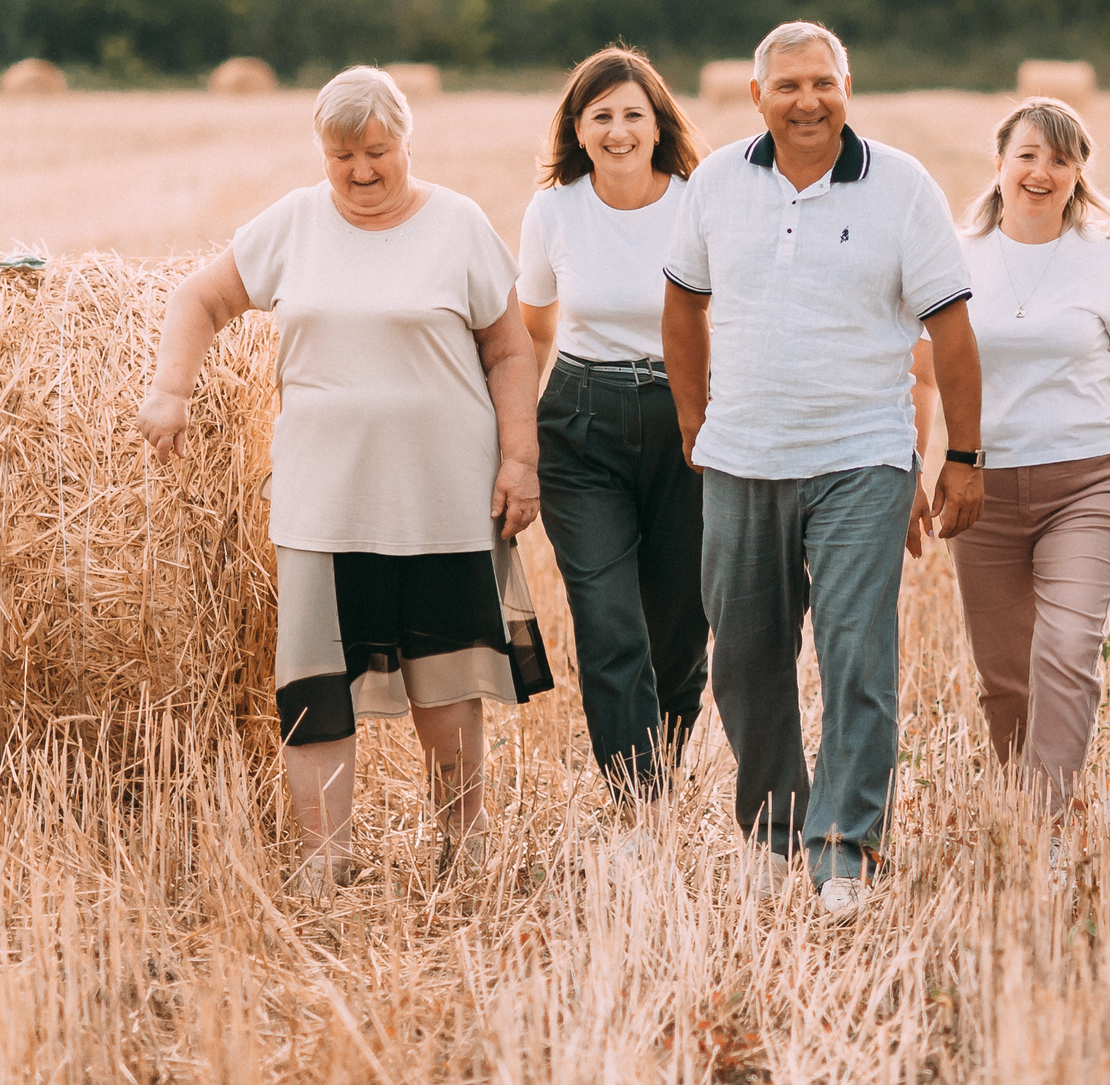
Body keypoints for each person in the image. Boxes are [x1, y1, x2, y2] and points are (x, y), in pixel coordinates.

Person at [137, 66, 546, 896]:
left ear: (406, 144)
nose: (361, 170)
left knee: (447, 685)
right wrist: (170, 391)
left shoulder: (459, 225)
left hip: (442, 497)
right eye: (342, 156)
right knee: (316, 685)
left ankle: (462, 845)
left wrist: (520, 459)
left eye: (376, 152)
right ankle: (325, 857)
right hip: (324, 501)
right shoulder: (293, 223)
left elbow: (509, 350)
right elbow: (199, 300)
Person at [662, 21, 984, 917]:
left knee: (855, 657)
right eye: (789, 85)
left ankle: (845, 846)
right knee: (744, 660)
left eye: (824, 83)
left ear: (848, 87)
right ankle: (774, 829)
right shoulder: (717, 182)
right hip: (743, 458)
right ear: (757, 96)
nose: (808, 101)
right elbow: (682, 304)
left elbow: (953, 332)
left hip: (862, 456)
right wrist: (692, 416)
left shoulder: (903, 186)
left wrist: (962, 455)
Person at [928, 98, 1110, 812]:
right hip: (981, 491)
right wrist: (912, 463)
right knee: (1004, 675)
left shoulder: (1108, 263)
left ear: (1078, 174)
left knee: (1067, 647)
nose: (1041, 171)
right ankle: (1017, 806)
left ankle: (1047, 817)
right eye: (1027, 155)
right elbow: (922, 373)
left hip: (1088, 485)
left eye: (1060, 159)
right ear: (999, 165)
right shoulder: (954, 258)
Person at [519, 46, 711, 801]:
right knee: (608, 621)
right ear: (578, 127)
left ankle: (665, 755)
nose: (619, 130)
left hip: (688, 420)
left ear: (659, 125)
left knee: (681, 624)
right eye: (601, 115)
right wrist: (514, 443)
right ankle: (638, 799)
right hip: (580, 424)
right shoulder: (553, 210)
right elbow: (534, 333)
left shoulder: (699, 204)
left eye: (634, 114)